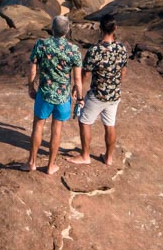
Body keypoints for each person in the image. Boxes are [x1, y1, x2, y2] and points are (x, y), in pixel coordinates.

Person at [68, 14, 129, 167]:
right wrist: (116, 85)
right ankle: (108, 158)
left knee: (84, 121)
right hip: (114, 95)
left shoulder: (95, 50)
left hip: (97, 95)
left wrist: (78, 87)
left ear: (100, 29)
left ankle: (85, 156)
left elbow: (86, 73)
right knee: (110, 124)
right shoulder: (121, 48)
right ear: (115, 28)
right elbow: (123, 71)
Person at [26, 15, 82, 176]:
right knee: (57, 130)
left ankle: (32, 162)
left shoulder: (41, 44)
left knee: (38, 126)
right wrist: (79, 97)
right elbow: (77, 79)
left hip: (44, 93)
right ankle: (51, 166)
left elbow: (33, 69)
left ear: (52, 28)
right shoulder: (74, 50)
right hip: (63, 96)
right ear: (68, 30)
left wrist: (31, 86)